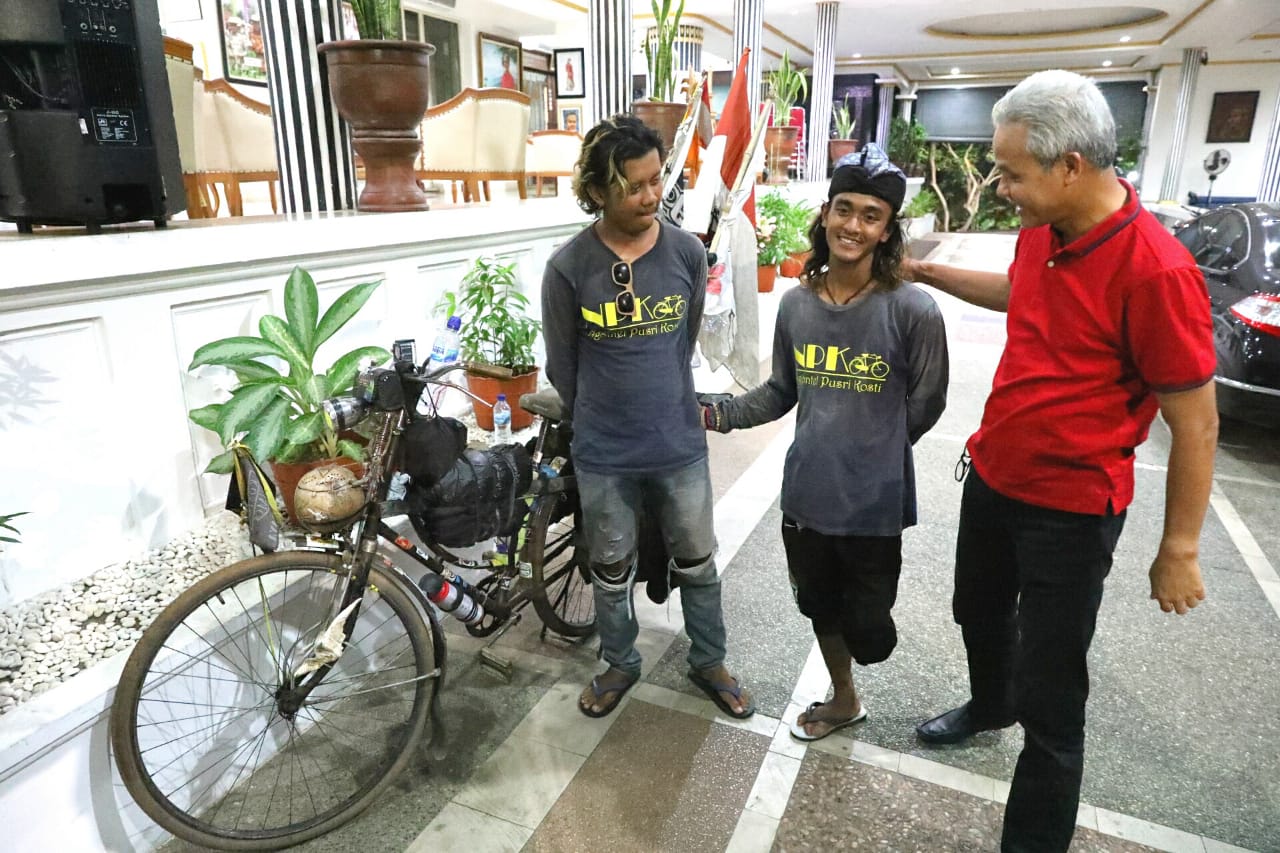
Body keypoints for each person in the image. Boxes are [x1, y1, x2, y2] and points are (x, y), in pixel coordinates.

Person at [903, 70, 1218, 852]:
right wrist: (926, 271)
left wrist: (1178, 546)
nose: (1003, 186)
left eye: (1012, 172)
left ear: (1069, 165)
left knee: (1052, 699)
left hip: (1071, 513)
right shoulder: (1047, 228)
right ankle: (987, 704)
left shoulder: (1157, 270)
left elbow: (1198, 422)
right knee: (976, 611)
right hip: (994, 477)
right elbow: (1022, 290)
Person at [702, 147, 949, 741]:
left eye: (870, 215)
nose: (853, 226)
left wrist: (876, 446)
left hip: (874, 505)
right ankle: (844, 699)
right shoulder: (797, 304)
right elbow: (782, 390)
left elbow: (928, 401)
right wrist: (716, 415)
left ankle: (861, 659)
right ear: (826, 214)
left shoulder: (914, 310)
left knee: (871, 634)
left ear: (887, 230)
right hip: (807, 497)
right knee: (818, 607)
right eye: (844, 209)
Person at [541, 114, 755, 720]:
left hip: (678, 444)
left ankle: (709, 660)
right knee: (608, 565)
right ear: (598, 193)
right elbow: (565, 367)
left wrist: (659, 403)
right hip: (604, 451)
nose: (651, 196)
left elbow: (681, 345)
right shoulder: (568, 268)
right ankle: (619, 663)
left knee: (698, 558)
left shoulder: (688, 252)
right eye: (633, 187)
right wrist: (604, 421)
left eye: (656, 180)